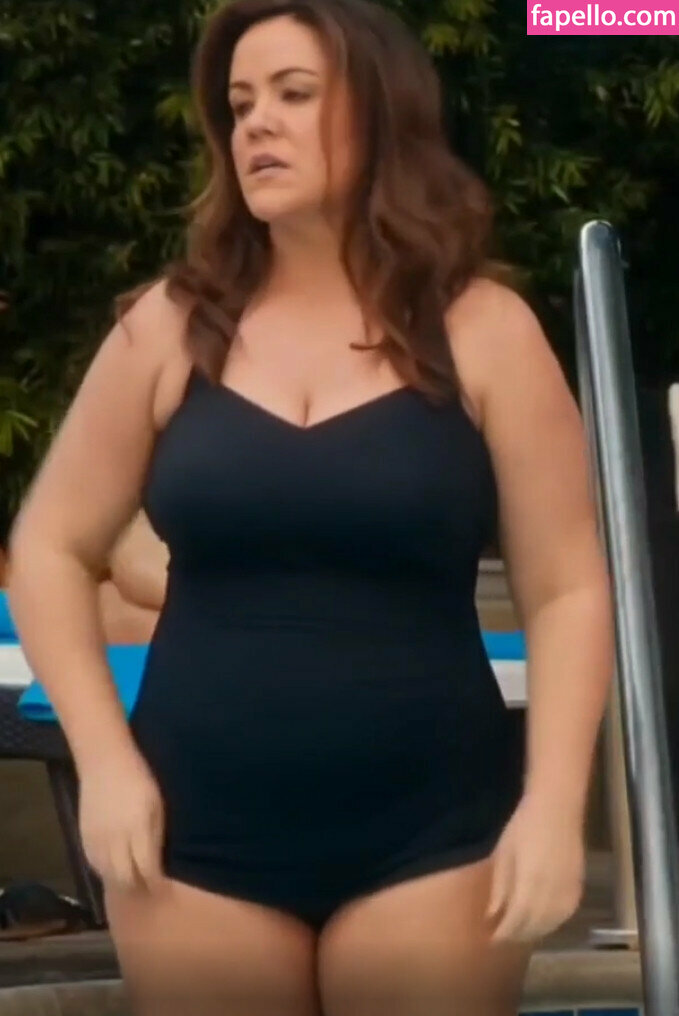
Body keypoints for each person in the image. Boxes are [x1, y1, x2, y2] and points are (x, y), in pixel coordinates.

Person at [6, 0, 615, 1012]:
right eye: (240, 104)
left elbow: (567, 587)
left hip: (433, 833)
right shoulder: (170, 327)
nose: (256, 124)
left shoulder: (484, 331)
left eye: (292, 95)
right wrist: (104, 762)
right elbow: (49, 546)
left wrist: (553, 806)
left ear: (379, 114)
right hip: (192, 833)